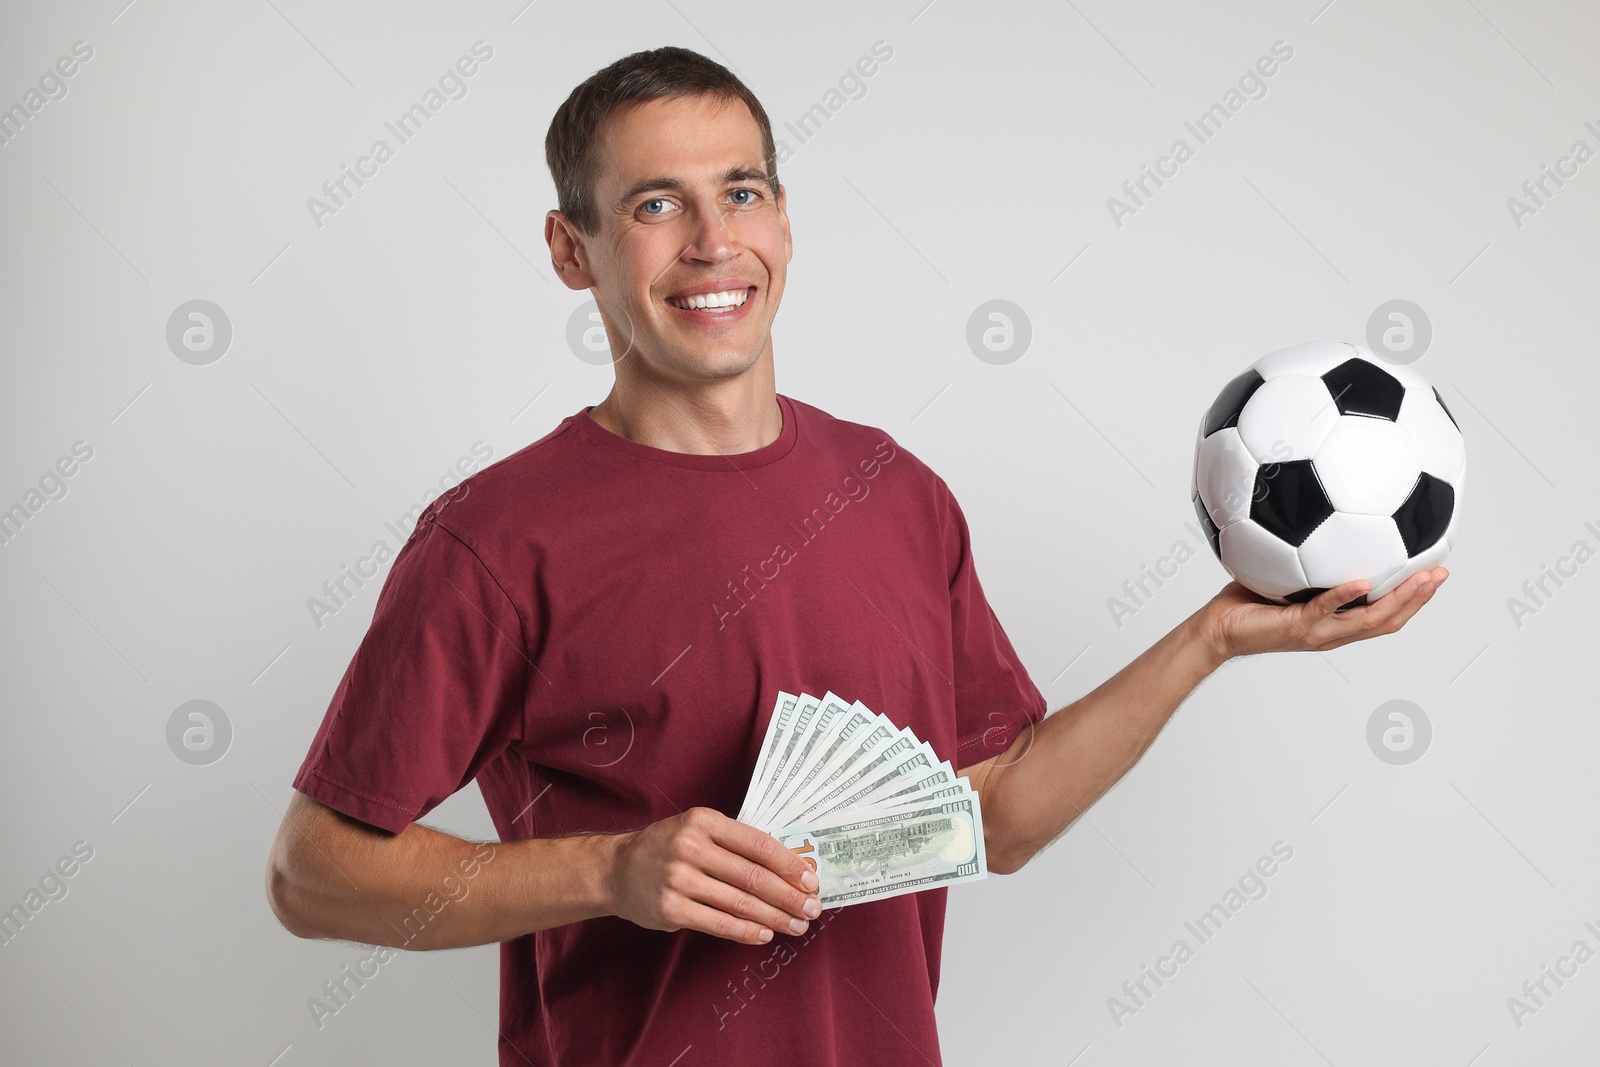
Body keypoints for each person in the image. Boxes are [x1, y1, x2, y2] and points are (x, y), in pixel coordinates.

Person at [265, 45, 1446, 1067]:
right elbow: (311, 875)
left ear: (785, 217)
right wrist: (611, 870)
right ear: (571, 250)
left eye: (741, 191)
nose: (714, 242)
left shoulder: (896, 495)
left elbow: (996, 817)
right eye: (654, 205)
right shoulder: (494, 537)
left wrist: (1211, 637)